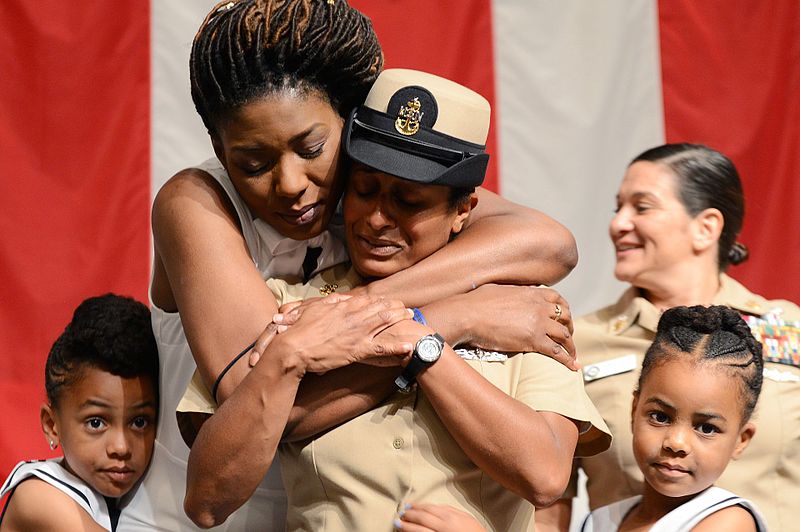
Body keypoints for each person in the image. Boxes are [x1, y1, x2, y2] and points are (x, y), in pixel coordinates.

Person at [131, 1, 580, 529]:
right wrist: (449, 323)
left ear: (350, 122)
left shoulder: (370, 193)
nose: (291, 183)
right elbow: (260, 396)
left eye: (312, 147)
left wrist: (360, 310)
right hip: (192, 507)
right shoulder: (194, 202)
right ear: (218, 146)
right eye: (252, 163)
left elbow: (550, 244)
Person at [536, 143, 800, 531]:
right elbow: (550, 501)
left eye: (641, 207)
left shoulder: (790, 327)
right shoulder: (573, 341)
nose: (618, 224)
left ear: (706, 227)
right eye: (618, 208)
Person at [580, 305, 767, 531]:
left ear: (741, 440)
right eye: (660, 417)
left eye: (706, 428)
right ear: (634, 411)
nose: (676, 443)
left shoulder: (728, 523)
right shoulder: (599, 521)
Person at [0, 294, 158, 532]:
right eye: (96, 423)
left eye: (139, 422)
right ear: (52, 425)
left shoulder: (126, 498)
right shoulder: (37, 497)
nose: (121, 447)